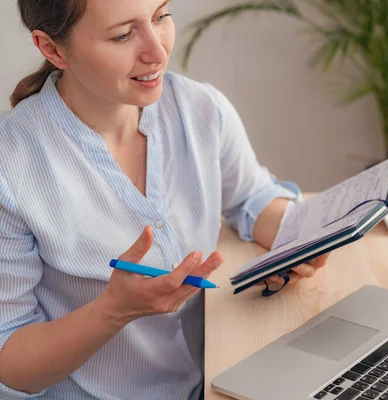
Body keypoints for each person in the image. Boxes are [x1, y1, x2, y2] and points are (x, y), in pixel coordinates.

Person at [0, 0, 329, 398]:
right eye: (123, 35)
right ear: (52, 49)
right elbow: (10, 362)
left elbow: (252, 197)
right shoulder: (11, 165)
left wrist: (300, 238)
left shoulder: (201, 109)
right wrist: (112, 311)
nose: (157, 52)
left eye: (160, 17)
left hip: (217, 381)